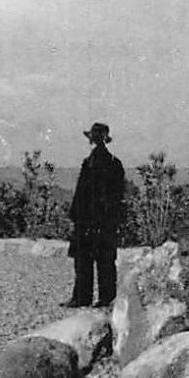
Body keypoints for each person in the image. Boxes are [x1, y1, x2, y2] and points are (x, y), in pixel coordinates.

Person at [65, 121, 127, 308]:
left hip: (86, 220)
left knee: (84, 261)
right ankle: (106, 299)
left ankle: (82, 298)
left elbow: (81, 194)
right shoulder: (114, 164)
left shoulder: (89, 163)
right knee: (105, 261)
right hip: (106, 221)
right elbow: (119, 195)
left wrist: (75, 217)